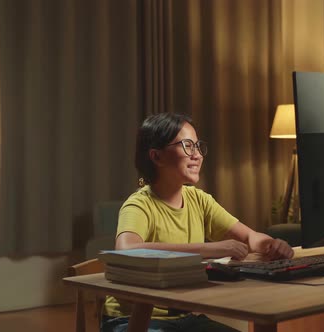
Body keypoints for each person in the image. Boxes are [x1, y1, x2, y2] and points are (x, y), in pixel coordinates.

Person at [101, 112, 294, 332]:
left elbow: (249, 236)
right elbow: (126, 249)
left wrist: (272, 244)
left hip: (185, 315)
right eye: (187, 146)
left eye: (198, 146)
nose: (197, 155)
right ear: (156, 157)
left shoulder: (199, 200)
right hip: (132, 320)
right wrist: (208, 249)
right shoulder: (139, 204)